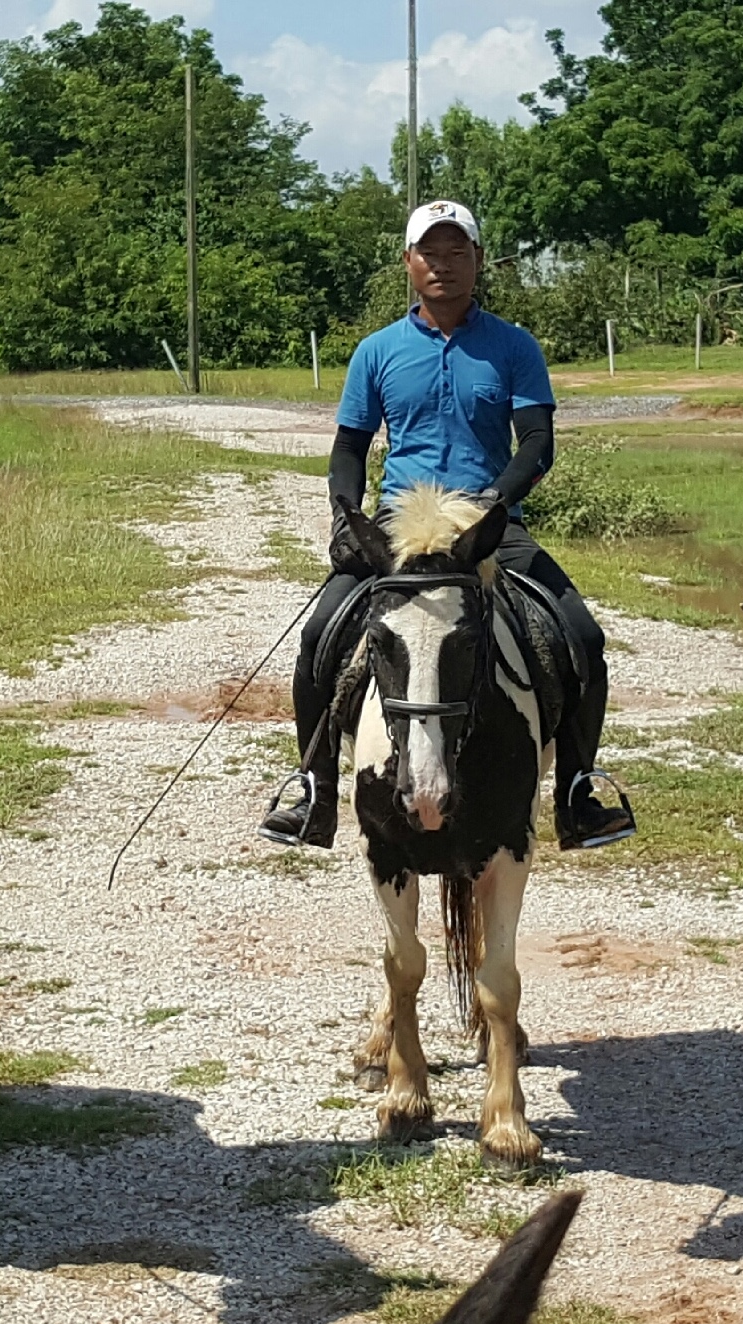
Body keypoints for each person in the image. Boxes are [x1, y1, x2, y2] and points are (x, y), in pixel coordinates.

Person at [259, 199, 636, 852]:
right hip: (400, 530)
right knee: (318, 637)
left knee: (581, 634)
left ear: (478, 260)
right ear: (408, 262)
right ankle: (313, 792)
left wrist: (495, 502)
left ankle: (577, 794)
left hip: (486, 527)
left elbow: (536, 442)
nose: (443, 265)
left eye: (456, 252)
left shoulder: (513, 347)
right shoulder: (377, 352)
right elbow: (349, 446)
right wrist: (345, 514)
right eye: (429, 253)